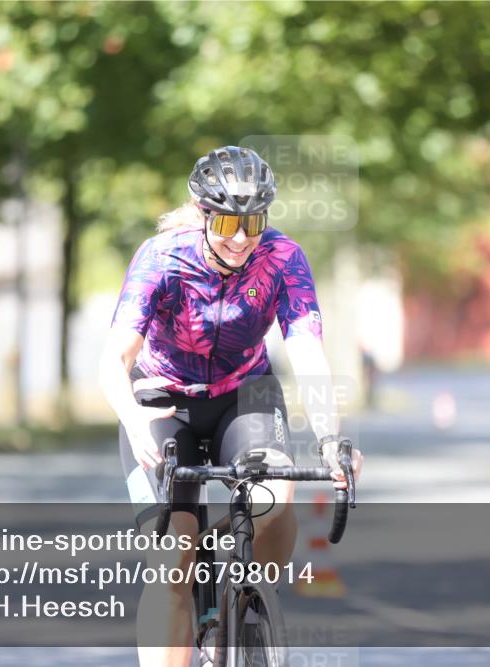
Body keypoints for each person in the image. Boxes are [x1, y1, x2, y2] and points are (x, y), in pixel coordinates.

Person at [98, 146, 363, 667]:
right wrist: (130, 417)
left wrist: (331, 439)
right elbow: (115, 357)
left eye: (252, 222)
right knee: (173, 556)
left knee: (275, 495)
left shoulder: (283, 258)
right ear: (201, 214)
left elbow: (306, 350)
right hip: (161, 397)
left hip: (248, 391)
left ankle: (250, 603)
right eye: (225, 222)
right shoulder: (161, 258)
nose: (240, 238)